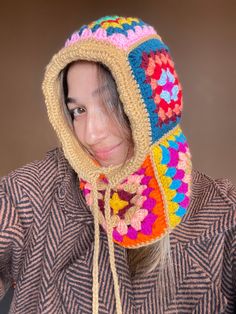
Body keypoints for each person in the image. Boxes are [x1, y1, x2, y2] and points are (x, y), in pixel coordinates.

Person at [0, 15, 235, 314]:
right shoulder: (31, 194)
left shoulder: (224, 218)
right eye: (78, 110)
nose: (90, 133)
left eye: (112, 101)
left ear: (157, 105)